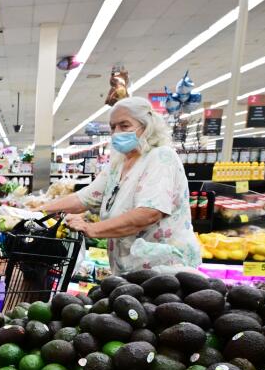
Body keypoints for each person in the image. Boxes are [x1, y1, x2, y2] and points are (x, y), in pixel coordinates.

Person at [43, 96, 201, 274]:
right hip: (128, 270)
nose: (117, 132)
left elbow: (149, 213)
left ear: (147, 126)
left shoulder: (161, 157)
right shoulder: (118, 164)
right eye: (113, 127)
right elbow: (84, 198)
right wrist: (38, 211)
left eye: (124, 126)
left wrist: (91, 228)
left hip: (164, 271)